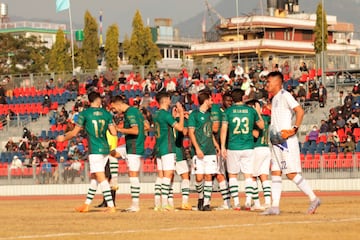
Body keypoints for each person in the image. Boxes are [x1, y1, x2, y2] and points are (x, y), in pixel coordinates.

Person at [262, 71, 320, 215]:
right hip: (276, 141)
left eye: (269, 81)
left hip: (286, 142)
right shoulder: (275, 98)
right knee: (275, 172)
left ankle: (313, 198)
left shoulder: (285, 95)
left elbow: (299, 111)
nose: (266, 84)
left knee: (291, 173)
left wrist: (294, 129)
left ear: (277, 82)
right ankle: (275, 206)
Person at [56, 91, 117, 213]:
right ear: (98, 100)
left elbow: (74, 133)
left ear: (89, 101)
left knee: (100, 176)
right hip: (105, 148)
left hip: (95, 149)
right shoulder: (107, 114)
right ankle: (86, 204)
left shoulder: (85, 114)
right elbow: (114, 132)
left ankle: (111, 206)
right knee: (95, 177)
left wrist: (63, 138)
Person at [220, 89, 264, 210]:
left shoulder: (228, 112)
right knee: (248, 175)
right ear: (243, 97)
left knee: (233, 175)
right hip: (248, 146)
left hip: (233, 146)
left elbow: (224, 130)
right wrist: (258, 112)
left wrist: (223, 146)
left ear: (232, 99)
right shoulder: (250, 111)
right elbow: (261, 126)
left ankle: (236, 203)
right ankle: (249, 202)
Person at [110, 95, 145, 212]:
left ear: (118, 104)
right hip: (130, 144)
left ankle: (135, 205)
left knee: (133, 174)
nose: (113, 111)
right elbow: (145, 126)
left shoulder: (130, 113)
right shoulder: (134, 112)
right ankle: (114, 180)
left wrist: (119, 130)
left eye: (113, 108)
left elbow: (136, 130)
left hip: (134, 146)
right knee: (112, 154)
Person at [153, 91, 184, 211]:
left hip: (159, 147)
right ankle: (165, 203)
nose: (171, 101)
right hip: (168, 147)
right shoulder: (165, 115)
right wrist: (181, 114)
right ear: (165, 100)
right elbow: (180, 128)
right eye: (169, 99)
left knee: (160, 176)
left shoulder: (156, 114)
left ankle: (157, 204)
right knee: (168, 174)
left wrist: (173, 117)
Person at [188, 91, 219, 211]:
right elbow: (191, 133)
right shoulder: (194, 115)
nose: (212, 102)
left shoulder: (210, 114)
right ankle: (201, 198)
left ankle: (206, 203)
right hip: (198, 151)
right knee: (199, 178)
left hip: (210, 150)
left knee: (208, 176)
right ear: (206, 100)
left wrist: (216, 145)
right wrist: (197, 148)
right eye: (211, 100)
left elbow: (210, 132)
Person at [172, 105, 192, 210]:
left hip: (167, 151)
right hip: (178, 151)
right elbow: (185, 132)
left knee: (168, 177)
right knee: (185, 176)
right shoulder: (181, 120)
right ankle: (184, 202)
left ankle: (168, 203)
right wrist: (185, 119)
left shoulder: (167, 118)